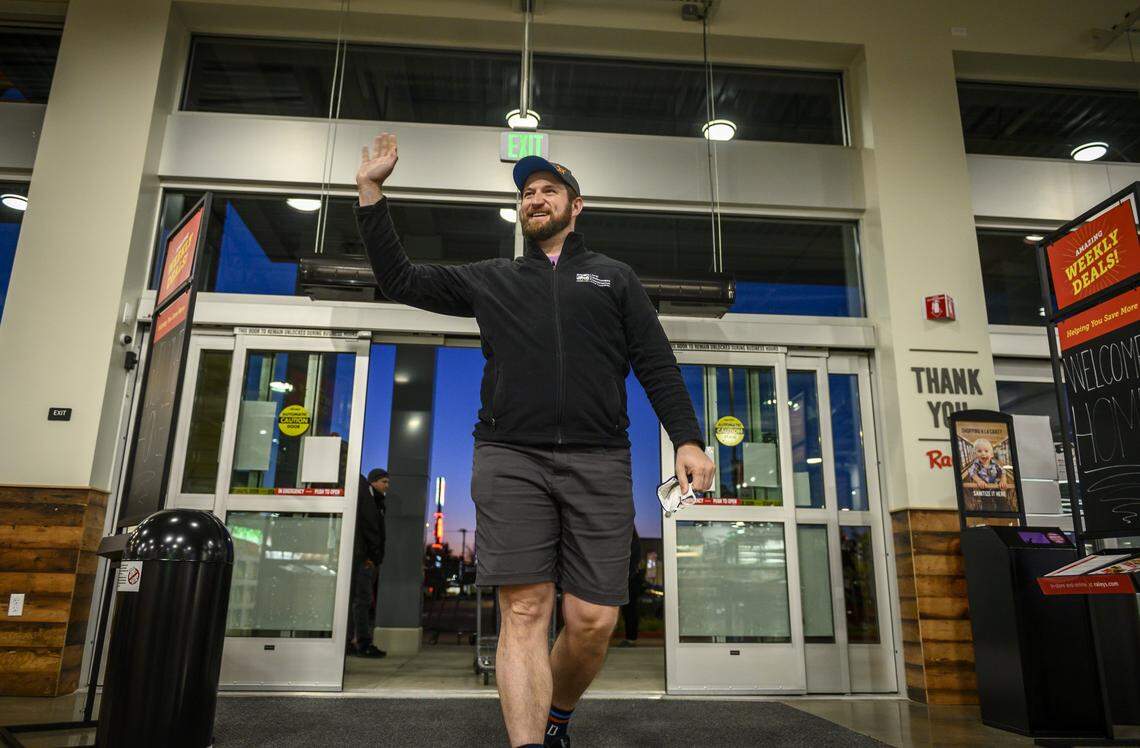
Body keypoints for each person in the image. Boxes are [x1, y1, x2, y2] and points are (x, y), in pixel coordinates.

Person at [354, 133, 714, 748]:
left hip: (600, 459)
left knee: (593, 620)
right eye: (527, 192)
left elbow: (655, 361)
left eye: (549, 190)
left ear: (576, 207)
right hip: (509, 456)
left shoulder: (614, 278)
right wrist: (371, 193)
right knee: (524, 610)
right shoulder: (491, 278)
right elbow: (399, 280)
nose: (535, 198)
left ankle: (558, 715)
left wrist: (687, 437)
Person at [348, 467, 388, 658]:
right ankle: (361, 643)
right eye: (384, 482)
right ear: (373, 481)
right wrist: (373, 557)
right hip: (365, 559)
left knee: (361, 601)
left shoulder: (375, 500)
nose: (387, 486)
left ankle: (354, 640)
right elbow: (371, 528)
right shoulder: (368, 498)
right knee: (362, 601)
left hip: (365, 557)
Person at [617, 530, 644, 647]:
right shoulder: (634, 543)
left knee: (629, 610)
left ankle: (631, 638)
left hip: (629, 581)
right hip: (629, 581)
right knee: (629, 610)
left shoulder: (630, 543)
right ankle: (630, 638)